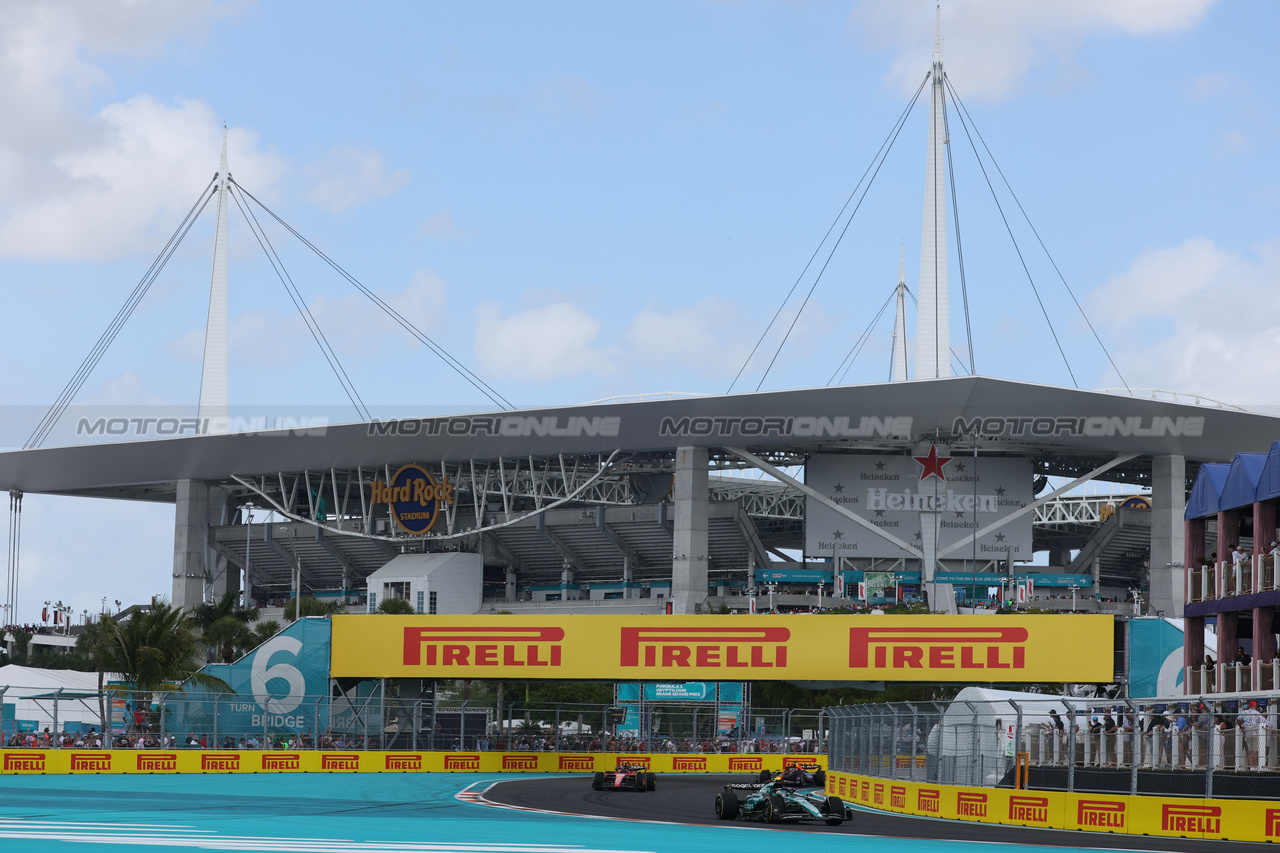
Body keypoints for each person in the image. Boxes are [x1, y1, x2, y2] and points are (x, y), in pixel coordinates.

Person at [1240, 700, 1268, 770]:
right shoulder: (1257, 713)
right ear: (1254, 706)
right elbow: (1264, 722)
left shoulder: (1245, 712)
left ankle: (1252, 766)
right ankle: (1255, 766)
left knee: (1250, 750)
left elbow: (1238, 719)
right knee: (1255, 750)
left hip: (1248, 733)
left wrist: (1241, 726)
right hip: (1255, 733)